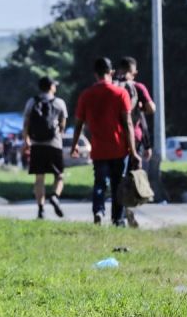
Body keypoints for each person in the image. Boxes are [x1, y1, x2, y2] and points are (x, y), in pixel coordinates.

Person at [71, 57, 141, 226]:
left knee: (100, 183)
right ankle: (117, 219)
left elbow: (78, 124)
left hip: (99, 149)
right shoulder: (120, 93)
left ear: (95, 74)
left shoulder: (86, 95)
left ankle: (98, 211)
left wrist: (74, 146)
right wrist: (133, 150)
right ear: (111, 73)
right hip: (119, 148)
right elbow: (128, 123)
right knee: (118, 184)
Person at [116, 56, 156, 228]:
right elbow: (151, 109)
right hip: (135, 137)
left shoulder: (112, 85)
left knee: (117, 176)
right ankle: (128, 212)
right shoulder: (138, 87)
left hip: (114, 138)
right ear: (134, 72)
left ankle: (118, 215)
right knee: (131, 177)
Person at [22, 76, 68, 219]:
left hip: (36, 144)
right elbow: (63, 125)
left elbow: (26, 124)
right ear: (51, 87)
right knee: (59, 176)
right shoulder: (59, 103)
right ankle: (54, 196)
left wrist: (26, 141)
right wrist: (58, 133)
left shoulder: (32, 102)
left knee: (39, 178)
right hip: (54, 144)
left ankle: (41, 209)